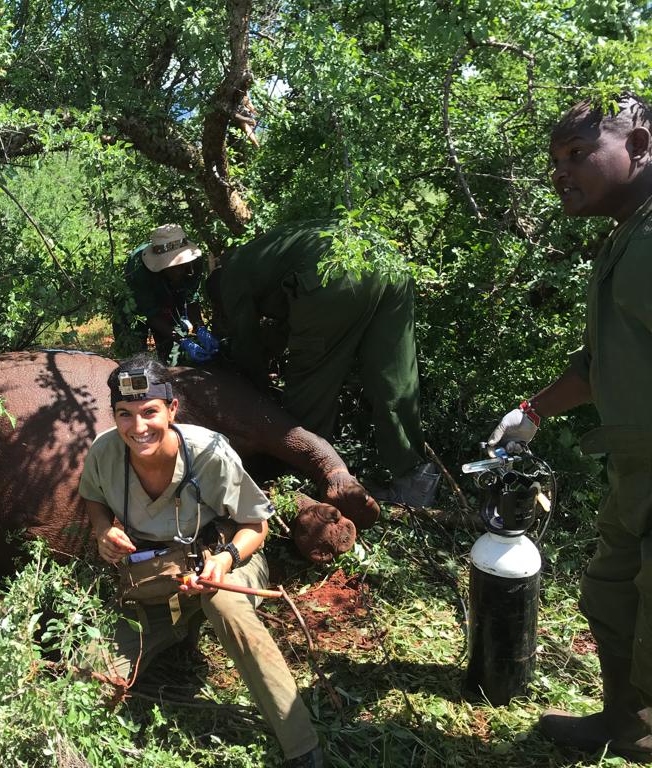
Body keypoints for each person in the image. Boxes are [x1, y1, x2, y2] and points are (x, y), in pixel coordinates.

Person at [486, 94, 652, 762]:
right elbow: (597, 365)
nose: (561, 173)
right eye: (554, 161)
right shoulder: (627, 238)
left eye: (579, 154)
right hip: (635, 469)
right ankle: (629, 727)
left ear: (639, 147)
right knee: (615, 594)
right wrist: (530, 414)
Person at [79, 355, 325, 768]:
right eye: (125, 415)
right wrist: (103, 530)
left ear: (172, 409)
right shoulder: (105, 451)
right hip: (157, 575)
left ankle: (301, 745)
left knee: (223, 604)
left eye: (150, 412)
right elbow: (93, 498)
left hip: (227, 559)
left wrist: (226, 560)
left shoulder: (207, 452)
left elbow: (255, 526)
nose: (138, 428)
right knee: (88, 675)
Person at [210, 222, 438, 508]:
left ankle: (302, 478)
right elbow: (285, 317)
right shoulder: (265, 250)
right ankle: (414, 477)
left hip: (338, 275)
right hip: (387, 261)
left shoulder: (230, 277)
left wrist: (253, 384)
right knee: (395, 378)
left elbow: (246, 343)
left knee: (310, 384)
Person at [115, 224, 221, 365]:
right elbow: (150, 314)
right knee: (134, 359)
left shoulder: (195, 263)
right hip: (136, 308)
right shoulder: (138, 269)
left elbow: (191, 298)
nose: (178, 271)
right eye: (172, 267)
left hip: (170, 301)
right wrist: (183, 341)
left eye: (181, 265)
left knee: (172, 358)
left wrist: (200, 328)